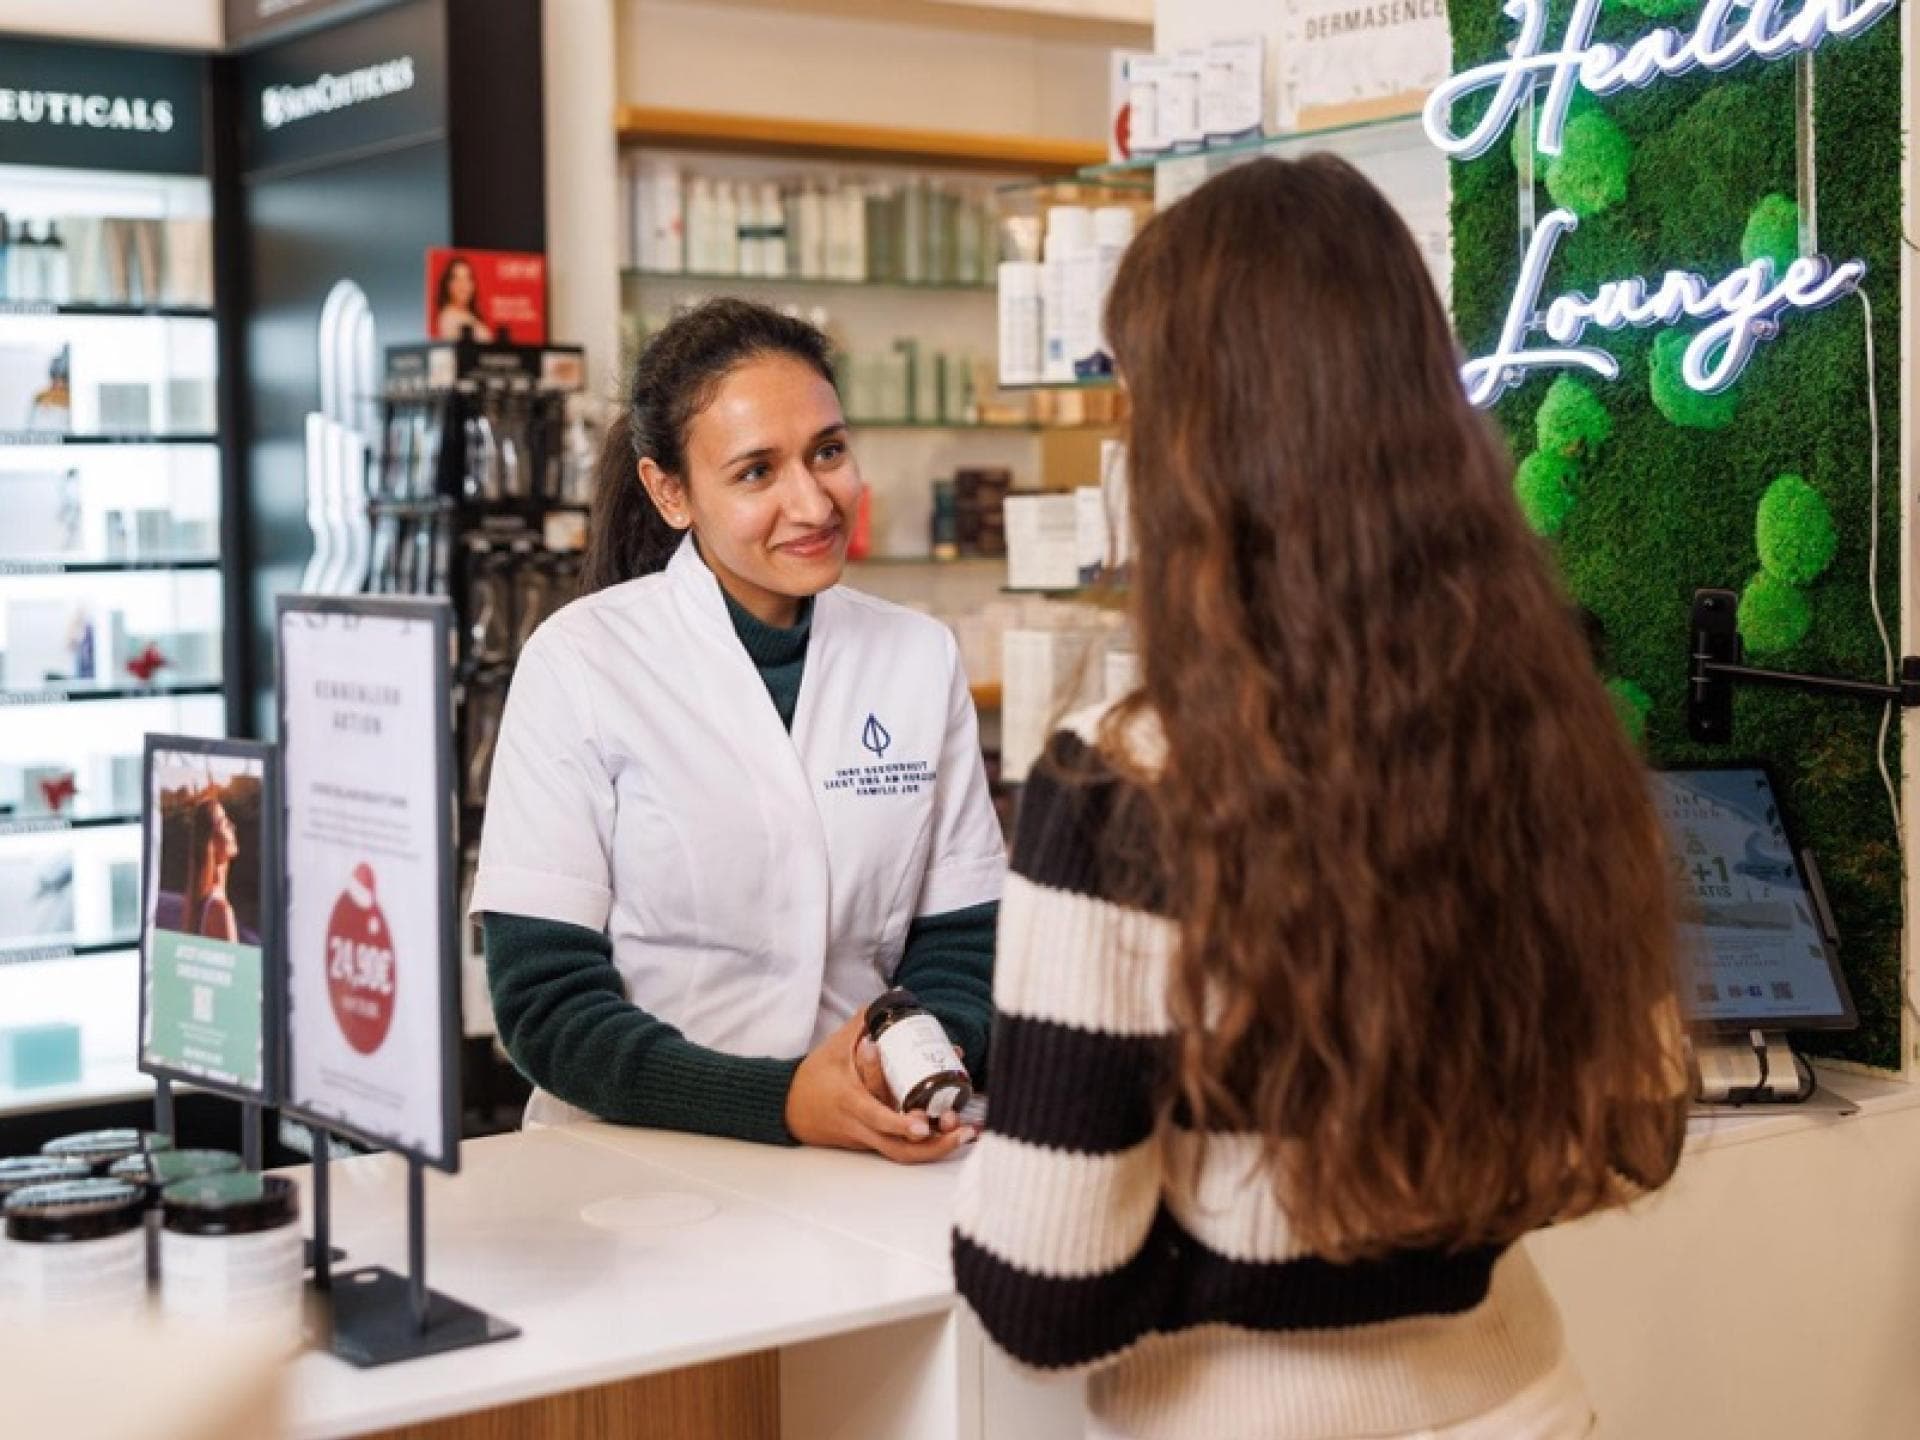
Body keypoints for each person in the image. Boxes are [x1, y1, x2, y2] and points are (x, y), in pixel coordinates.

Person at [953, 156, 1690, 1438]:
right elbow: (1632, 1131)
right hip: (1525, 1402)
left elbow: (1042, 1296)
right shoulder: (1538, 719)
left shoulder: (1120, 783)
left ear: (1196, 441)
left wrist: (1222, 1249)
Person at [471, 299, 1003, 1162]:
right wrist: (782, 1100)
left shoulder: (916, 657)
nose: (813, 500)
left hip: (870, 1152)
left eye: (827, 452)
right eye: (757, 472)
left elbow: (960, 940)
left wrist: (907, 1067)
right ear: (669, 492)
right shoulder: (579, 663)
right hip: (634, 1168)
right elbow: (545, 1004)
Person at [182, 794, 239, 943]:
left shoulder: (200, 904)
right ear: (212, 842)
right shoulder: (220, 910)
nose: (233, 826)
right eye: (224, 823)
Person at [435, 256, 495, 342]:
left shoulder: (470, 314)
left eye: (468, 278)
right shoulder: (448, 317)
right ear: (447, 285)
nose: (463, 285)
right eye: (456, 279)